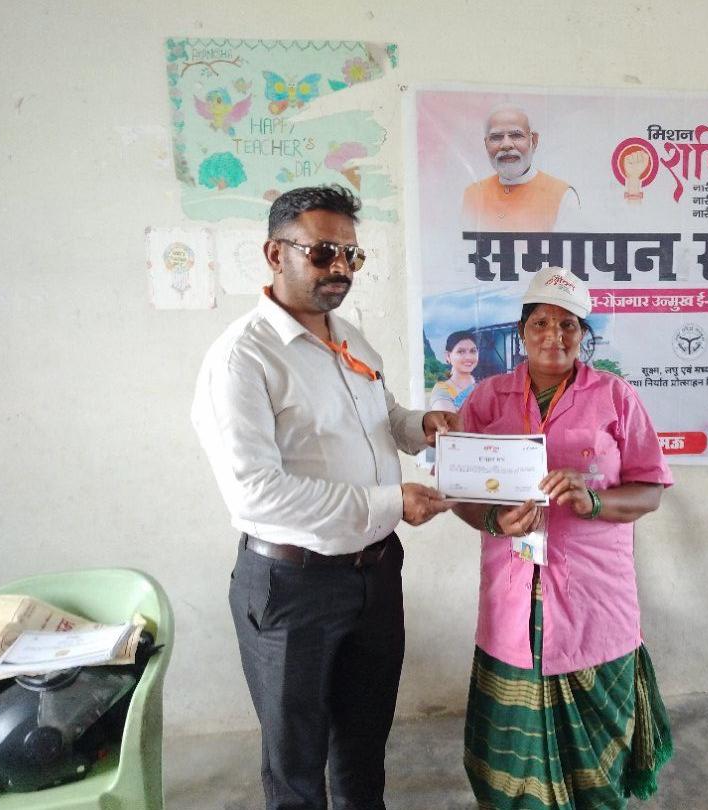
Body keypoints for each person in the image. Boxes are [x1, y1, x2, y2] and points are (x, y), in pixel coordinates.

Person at [191, 184, 456, 810]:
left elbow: (381, 415)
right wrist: (392, 503)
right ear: (274, 253)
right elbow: (256, 493)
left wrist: (422, 426)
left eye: (351, 255)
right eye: (322, 253)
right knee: (297, 764)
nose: (341, 267)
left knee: (363, 748)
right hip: (293, 588)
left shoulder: (351, 337)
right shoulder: (243, 358)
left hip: (375, 576)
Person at [451, 266, 675, 809]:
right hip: (512, 599)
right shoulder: (487, 399)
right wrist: (493, 521)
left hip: (595, 597)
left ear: (583, 334)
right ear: (522, 332)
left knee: (600, 755)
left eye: (568, 325)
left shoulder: (615, 397)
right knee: (513, 758)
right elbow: (458, 490)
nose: (554, 335)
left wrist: (594, 500)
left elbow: (650, 491)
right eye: (541, 323)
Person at [462, 105, 580, 231]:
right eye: (496, 137)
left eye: (516, 135)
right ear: (486, 144)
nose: (506, 145)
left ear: (534, 141)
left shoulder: (563, 196)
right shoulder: (472, 195)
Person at [429, 330, 479, 412]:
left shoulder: (481, 386)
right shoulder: (442, 390)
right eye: (461, 352)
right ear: (448, 356)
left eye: (473, 351)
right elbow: (448, 419)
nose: (468, 357)